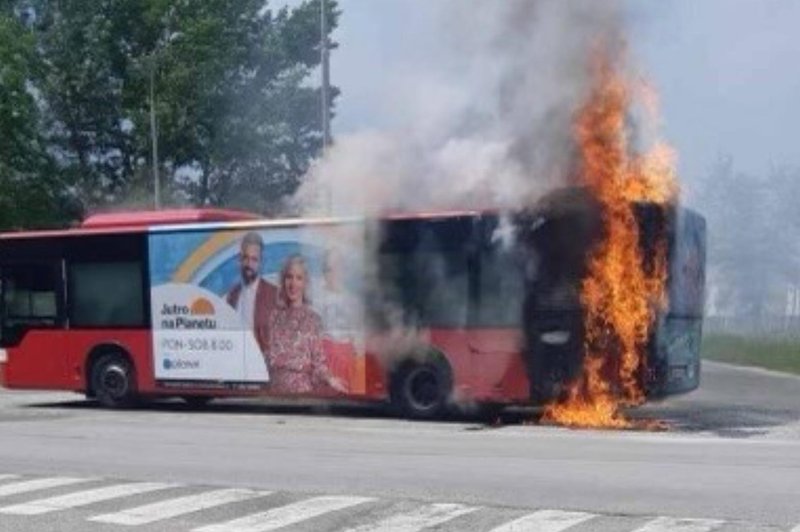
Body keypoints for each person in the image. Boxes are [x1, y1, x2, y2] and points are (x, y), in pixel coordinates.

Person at [266, 254, 345, 394]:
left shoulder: (313, 320)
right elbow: (268, 358)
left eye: (299, 278)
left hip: (301, 397)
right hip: (274, 395)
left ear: (305, 283)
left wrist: (330, 379)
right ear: (283, 280)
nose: (293, 284)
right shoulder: (274, 316)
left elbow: (318, 363)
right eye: (289, 277)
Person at [226, 232, 276, 355]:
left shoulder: (273, 294)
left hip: (262, 366)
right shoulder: (232, 295)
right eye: (245, 258)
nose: (249, 264)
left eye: (254, 259)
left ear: (261, 262)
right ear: (240, 260)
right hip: (237, 362)